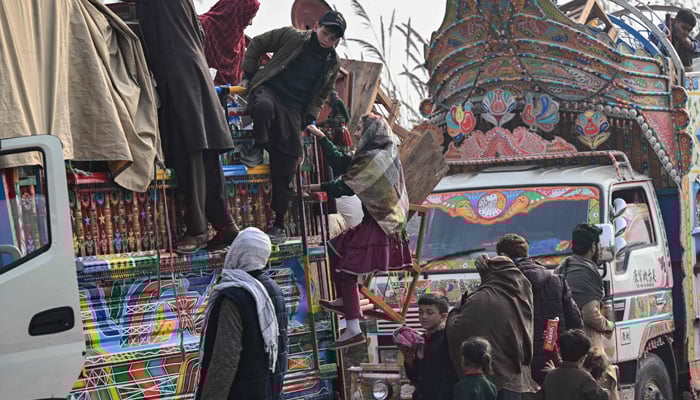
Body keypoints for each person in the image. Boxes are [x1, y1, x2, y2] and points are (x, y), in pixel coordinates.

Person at [137, 0, 238, 253]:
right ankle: (225, 224)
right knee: (206, 154)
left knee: (189, 155)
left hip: (178, 75)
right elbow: (200, 33)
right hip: (194, 69)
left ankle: (197, 229)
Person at [305, 114, 412, 349]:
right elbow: (344, 163)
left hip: (379, 224)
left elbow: (344, 186)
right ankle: (347, 302)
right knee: (334, 250)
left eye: (360, 129)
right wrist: (322, 137)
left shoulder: (377, 157)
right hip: (377, 223)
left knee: (346, 272)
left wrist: (313, 188)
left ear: (371, 133)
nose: (355, 134)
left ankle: (353, 328)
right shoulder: (378, 154)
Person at [240, 11, 346, 244]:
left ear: (337, 41)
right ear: (317, 26)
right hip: (270, 89)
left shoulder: (332, 62)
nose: (326, 39)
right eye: (325, 32)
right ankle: (258, 147)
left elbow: (322, 94)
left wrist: (309, 118)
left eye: (332, 37)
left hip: (293, 109)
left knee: (289, 159)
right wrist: (248, 74)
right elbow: (258, 43)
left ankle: (278, 223)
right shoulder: (293, 36)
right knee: (264, 107)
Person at [196, 227, 288, 399]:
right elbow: (281, 350)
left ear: (237, 252)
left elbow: (225, 360)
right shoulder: (274, 291)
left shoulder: (234, 296)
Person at [446, 255, 539, 400]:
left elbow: (457, 328)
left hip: (496, 380)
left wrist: (455, 310)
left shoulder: (482, 299)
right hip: (521, 378)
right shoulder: (523, 294)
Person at [496, 234, 583, 385]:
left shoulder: (500, 285)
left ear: (503, 257)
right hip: (552, 361)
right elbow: (575, 322)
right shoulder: (557, 281)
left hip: (515, 367)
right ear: (526, 253)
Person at [556, 224, 614, 351]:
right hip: (586, 345)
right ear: (593, 246)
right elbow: (589, 314)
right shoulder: (588, 272)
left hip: (566, 342)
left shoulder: (563, 267)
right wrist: (609, 326)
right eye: (598, 245)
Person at [400, 294, 458, 400]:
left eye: (429, 312)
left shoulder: (448, 340)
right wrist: (408, 359)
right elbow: (415, 377)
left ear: (443, 316)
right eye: (420, 312)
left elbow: (450, 377)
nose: (424, 316)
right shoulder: (420, 340)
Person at [199, 0, 260, 86]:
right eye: (249, 17)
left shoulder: (239, 38)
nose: (250, 23)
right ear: (237, 12)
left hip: (225, 95)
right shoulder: (203, 26)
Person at [542, 329, 609, 400]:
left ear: (560, 353)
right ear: (583, 358)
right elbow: (603, 397)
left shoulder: (550, 376)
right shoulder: (584, 378)